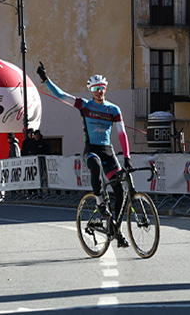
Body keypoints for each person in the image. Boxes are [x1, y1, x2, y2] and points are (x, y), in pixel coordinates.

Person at [38, 63, 132, 248]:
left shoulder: (114, 110)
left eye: (101, 88)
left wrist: (127, 157)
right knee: (95, 166)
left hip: (108, 151)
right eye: (95, 89)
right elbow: (62, 96)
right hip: (91, 151)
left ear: (105, 89)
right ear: (91, 91)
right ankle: (99, 201)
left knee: (121, 191)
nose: (99, 92)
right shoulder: (85, 105)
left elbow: (122, 134)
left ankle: (116, 231)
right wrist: (46, 80)